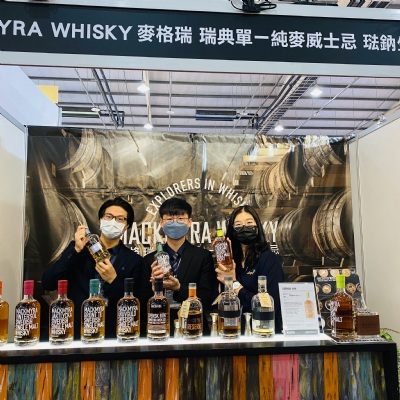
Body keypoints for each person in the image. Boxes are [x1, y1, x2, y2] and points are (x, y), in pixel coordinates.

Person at [42, 197, 143, 339]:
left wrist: (113, 280)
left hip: (111, 333)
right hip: (75, 331)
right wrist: (76, 249)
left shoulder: (135, 260)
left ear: (126, 226)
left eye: (120, 219)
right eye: (109, 217)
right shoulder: (79, 250)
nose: (113, 222)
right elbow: (48, 282)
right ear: (100, 220)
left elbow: (134, 307)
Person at [140, 197, 217, 336]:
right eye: (169, 219)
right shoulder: (149, 260)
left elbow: (207, 299)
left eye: (180, 218)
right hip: (158, 328)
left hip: (194, 327)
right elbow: (142, 301)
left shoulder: (203, 257)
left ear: (189, 222)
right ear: (161, 223)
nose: (175, 223)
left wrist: (179, 288)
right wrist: (155, 290)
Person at [215, 205, 285, 332]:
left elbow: (267, 305)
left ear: (257, 226)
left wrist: (234, 283)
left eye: (249, 223)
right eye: (238, 225)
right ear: (232, 230)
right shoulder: (232, 261)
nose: (244, 228)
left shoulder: (269, 259)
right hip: (233, 331)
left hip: (262, 332)